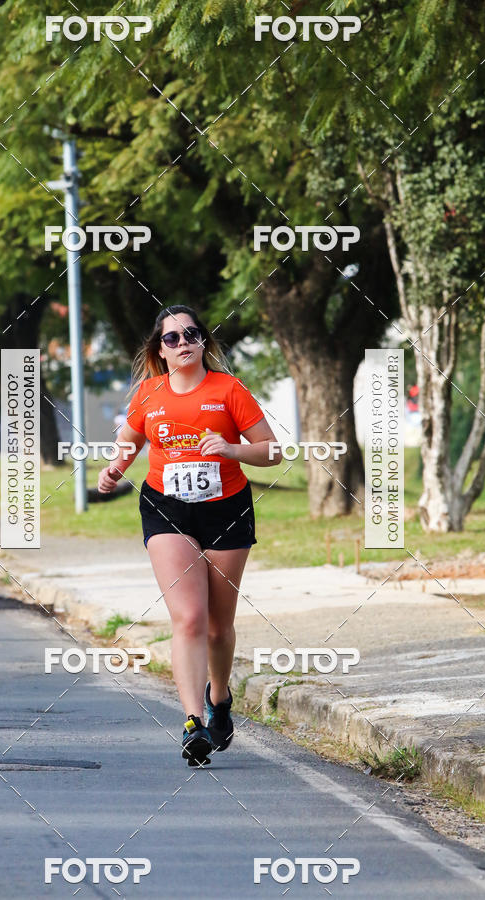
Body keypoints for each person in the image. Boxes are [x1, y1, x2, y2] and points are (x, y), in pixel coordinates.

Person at [98, 305, 282, 766]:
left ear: (204, 342)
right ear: (159, 349)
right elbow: (130, 441)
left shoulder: (229, 390)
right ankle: (192, 722)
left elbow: (273, 451)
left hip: (226, 510)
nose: (183, 344)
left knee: (219, 626)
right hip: (167, 510)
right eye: (172, 339)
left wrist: (232, 447)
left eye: (191, 335)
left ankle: (219, 698)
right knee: (190, 618)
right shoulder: (147, 393)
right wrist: (114, 470)